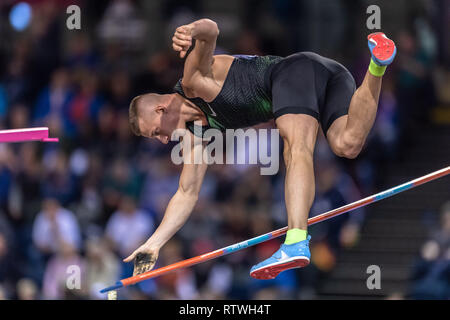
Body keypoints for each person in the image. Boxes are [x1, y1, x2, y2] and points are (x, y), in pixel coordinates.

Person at [125, 18, 396, 279]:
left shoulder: (193, 81)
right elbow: (186, 192)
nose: (162, 140)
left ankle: (296, 240)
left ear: (161, 110)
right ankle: (377, 63)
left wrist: (189, 29)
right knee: (347, 144)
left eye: (156, 132)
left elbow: (211, 30)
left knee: (295, 148)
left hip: (294, 72)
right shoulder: (195, 135)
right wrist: (154, 243)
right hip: (331, 76)